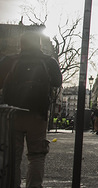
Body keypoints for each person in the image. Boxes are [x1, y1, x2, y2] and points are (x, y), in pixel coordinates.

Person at [0, 31, 62, 188]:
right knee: (36, 156)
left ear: (21, 44)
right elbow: (57, 82)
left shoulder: (10, 60)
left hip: (12, 115)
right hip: (38, 114)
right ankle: (34, 185)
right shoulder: (49, 62)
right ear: (39, 43)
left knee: (13, 156)